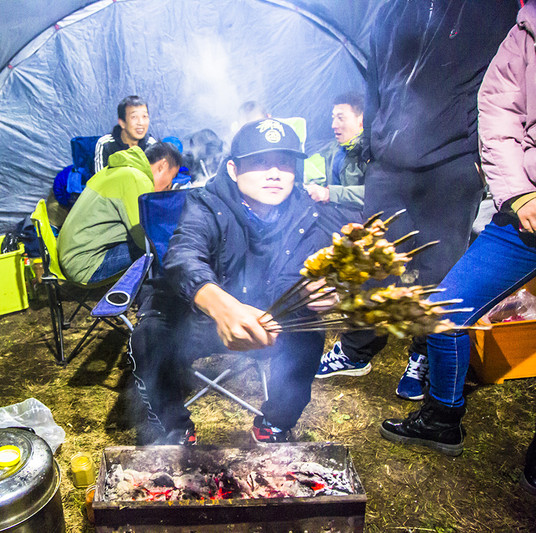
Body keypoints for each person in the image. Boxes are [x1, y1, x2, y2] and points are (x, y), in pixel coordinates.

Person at [314, 0, 519, 402]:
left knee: (437, 269)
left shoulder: (494, 10)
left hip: (453, 163)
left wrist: (480, 158)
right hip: (389, 161)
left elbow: (506, 87)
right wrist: (372, 143)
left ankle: (422, 355)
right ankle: (357, 349)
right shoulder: (393, 8)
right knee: (371, 258)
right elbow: (374, 79)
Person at [380, 3, 536, 495]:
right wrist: (519, 193)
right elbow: (498, 106)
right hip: (526, 214)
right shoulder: (527, 27)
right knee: (444, 305)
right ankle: (443, 415)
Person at [129, 119, 356, 445]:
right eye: (261, 162)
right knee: (150, 334)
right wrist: (223, 307)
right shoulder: (205, 204)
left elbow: (304, 273)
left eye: (285, 163)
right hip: (200, 322)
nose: (275, 173)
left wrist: (316, 290)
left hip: (269, 322)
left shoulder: (306, 212)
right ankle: (175, 430)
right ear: (233, 169)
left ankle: (275, 423)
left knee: (309, 330)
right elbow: (182, 257)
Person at [57, 142, 181, 285]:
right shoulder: (137, 178)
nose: (169, 186)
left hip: (70, 257)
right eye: (173, 176)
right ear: (163, 165)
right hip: (84, 265)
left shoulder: (118, 170)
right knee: (157, 249)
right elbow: (145, 238)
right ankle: (152, 299)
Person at [304, 92, 367, 210]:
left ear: (361, 119)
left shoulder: (371, 152)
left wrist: (329, 194)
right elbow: (312, 166)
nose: (334, 125)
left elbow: (378, 194)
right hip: (336, 215)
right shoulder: (334, 148)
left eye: (340, 118)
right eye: (333, 118)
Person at [94, 95, 157, 173]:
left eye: (144, 116)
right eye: (134, 117)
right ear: (122, 123)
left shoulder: (151, 145)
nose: (141, 123)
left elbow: (155, 179)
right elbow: (100, 180)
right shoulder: (105, 144)